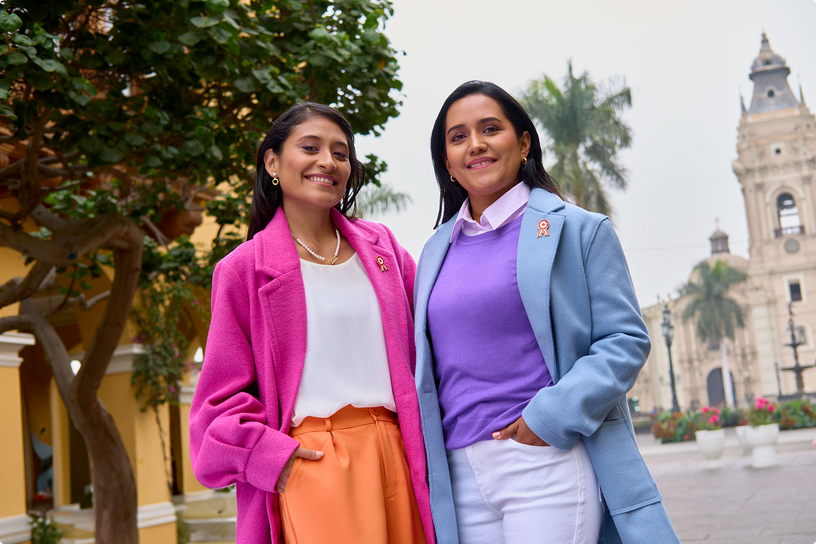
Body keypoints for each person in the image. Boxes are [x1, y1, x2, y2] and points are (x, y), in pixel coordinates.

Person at [413, 81, 680, 544]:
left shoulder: (580, 230)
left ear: (523, 142)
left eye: (490, 129)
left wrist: (549, 415)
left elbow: (624, 341)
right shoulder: (435, 251)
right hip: (460, 473)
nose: (475, 144)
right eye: (457, 137)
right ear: (446, 163)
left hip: (542, 458)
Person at [190, 102, 434, 544]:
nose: (328, 161)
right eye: (310, 147)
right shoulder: (243, 269)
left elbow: (437, 339)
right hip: (315, 460)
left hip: (402, 451)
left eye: (340, 153)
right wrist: (273, 458)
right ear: (272, 162)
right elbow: (216, 404)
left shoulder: (385, 252)